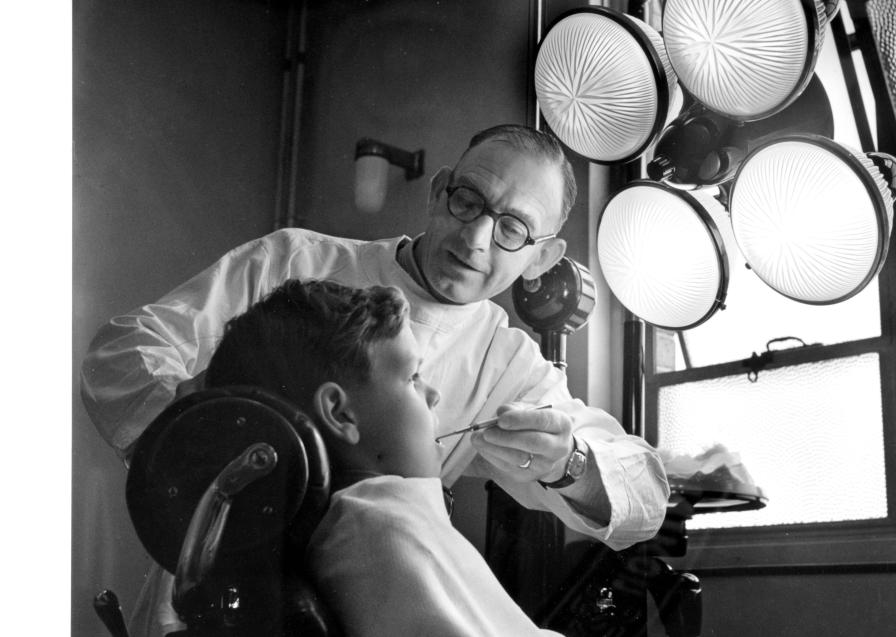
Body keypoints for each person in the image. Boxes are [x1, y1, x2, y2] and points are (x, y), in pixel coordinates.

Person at [81, 124, 670, 631]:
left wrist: (569, 462)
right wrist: (230, 438)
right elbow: (119, 356)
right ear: (440, 192)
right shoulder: (297, 264)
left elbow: (643, 495)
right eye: (468, 201)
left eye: (513, 228)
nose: (475, 238)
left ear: (542, 257)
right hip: (219, 594)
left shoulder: (506, 364)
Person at [199, 278, 562, 636]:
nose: (433, 395)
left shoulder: (353, 529)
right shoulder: (383, 528)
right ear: (340, 414)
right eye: (413, 377)